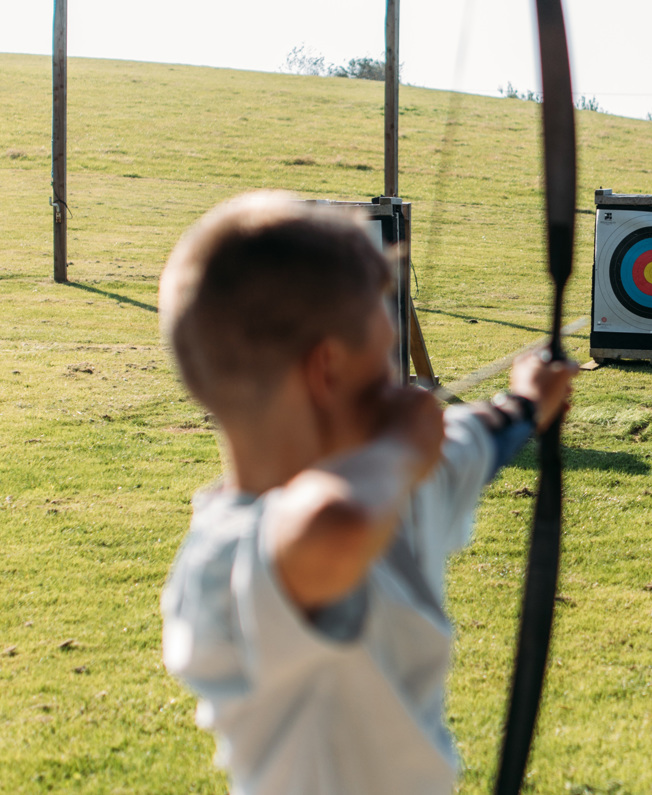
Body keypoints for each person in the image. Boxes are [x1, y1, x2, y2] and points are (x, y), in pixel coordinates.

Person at [157, 191, 577, 795]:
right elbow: (335, 526)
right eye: (384, 355)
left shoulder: (389, 479)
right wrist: (404, 447)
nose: (398, 382)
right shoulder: (222, 561)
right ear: (325, 370)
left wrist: (524, 403)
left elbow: (469, 442)